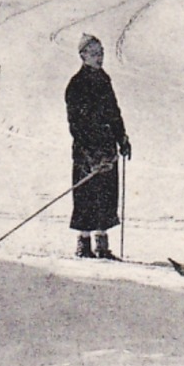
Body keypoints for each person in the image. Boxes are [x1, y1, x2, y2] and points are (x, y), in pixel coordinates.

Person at [65, 34, 131, 259]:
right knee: (86, 194)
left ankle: (102, 246)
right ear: (83, 55)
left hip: (107, 146)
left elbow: (114, 112)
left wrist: (122, 138)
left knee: (106, 194)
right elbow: (76, 124)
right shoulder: (76, 84)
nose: (99, 57)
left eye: (101, 53)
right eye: (94, 53)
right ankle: (84, 244)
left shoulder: (104, 79)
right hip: (87, 150)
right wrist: (90, 154)